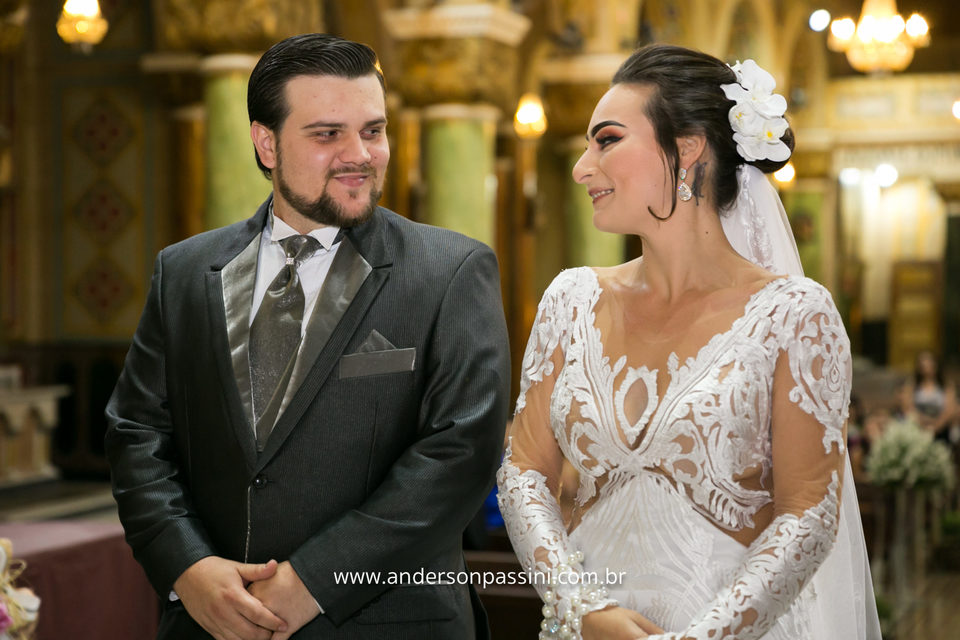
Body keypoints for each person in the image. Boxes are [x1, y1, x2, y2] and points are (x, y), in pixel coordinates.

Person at [105, 33, 510, 640]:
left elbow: (461, 452)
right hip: (210, 626)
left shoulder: (452, 271)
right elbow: (137, 434)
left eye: (373, 131)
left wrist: (317, 580)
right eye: (327, 135)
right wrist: (186, 566)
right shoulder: (184, 273)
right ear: (266, 143)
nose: (360, 154)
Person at [497, 44, 880, 640]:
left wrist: (702, 638)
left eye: (607, 140)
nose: (582, 167)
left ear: (687, 148)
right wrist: (578, 607)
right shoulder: (569, 300)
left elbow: (807, 512)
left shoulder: (794, 315)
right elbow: (524, 473)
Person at [909, 350, 958, 443]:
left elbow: (950, 409)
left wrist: (935, 427)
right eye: (923, 364)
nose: (926, 367)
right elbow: (909, 406)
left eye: (929, 363)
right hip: (918, 429)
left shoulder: (946, 385)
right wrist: (921, 422)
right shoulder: (913, 385)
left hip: (941, 431)